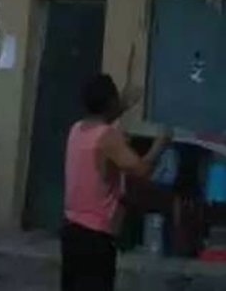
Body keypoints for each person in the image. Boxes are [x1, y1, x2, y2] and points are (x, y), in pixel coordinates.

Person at [61, 73, 171, 291]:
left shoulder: (77, 129)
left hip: (71, 231)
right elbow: (142, 170)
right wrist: (161, 143)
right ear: (111, 101)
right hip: (96, 237)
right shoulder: (107, 136)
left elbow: (104, 121)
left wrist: (123, 106)